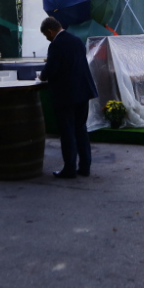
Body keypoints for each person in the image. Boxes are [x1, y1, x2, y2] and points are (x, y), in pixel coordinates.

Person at [39, 17, 98, 179]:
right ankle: (85, 166)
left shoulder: (56, 45)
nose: (47, 38)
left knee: (67, 132)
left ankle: (69, 168)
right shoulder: (77, 40)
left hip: (66, 95)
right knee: (81, 129)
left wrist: (42, 76)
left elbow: (51, 68)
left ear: (50, 31)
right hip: (83, 92)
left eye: (46, 35)